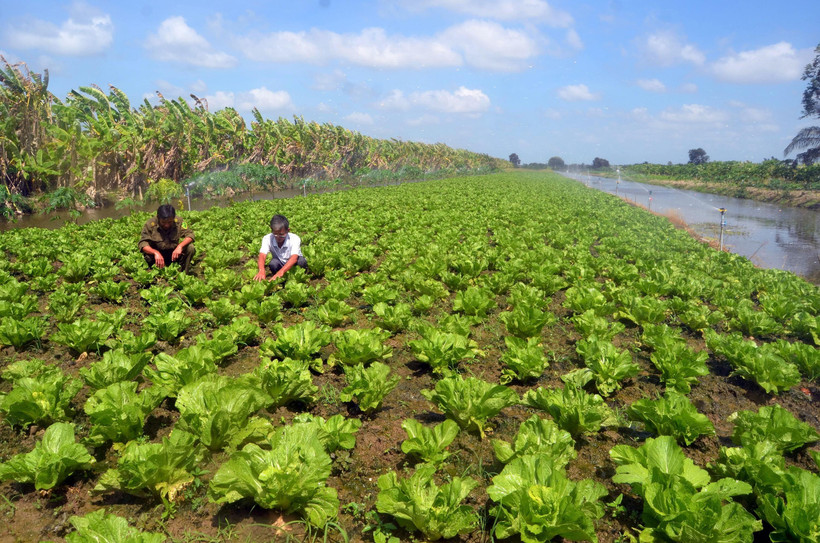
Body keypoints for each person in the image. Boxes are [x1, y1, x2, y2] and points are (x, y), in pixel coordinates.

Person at [138, 204, 195, 272]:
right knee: (148, 256)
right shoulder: (150, 224)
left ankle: (183, 273)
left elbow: (190, 234)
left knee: (190, 248)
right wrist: (155, 253)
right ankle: (156, 273)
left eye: (170, 222)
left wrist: (180, 247)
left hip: (174, 253)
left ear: (173, 218)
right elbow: (143, 243)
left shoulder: (179, 221)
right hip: (157, 256)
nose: (167, 225)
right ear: (158, 217)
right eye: (163, 222)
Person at [254, 214, 308, 281]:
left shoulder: (294, 238)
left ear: (288, 230)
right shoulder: (267, 238)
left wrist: (280, 273)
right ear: (271, 229)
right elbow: (262, 255)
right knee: (273, 263)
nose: (278, 237)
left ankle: (301, 278)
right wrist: (261, 270)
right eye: (275, 234)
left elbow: (294, 258)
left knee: (301, 261)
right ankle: (280, 281)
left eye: (281, 234)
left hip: (294, 265)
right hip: (280, 263)